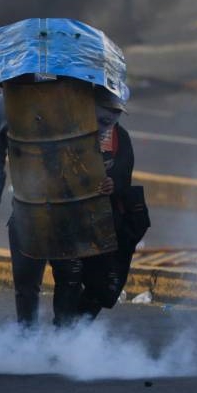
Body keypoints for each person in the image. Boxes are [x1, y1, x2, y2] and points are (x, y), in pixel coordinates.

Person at [0, 72, 137, 327]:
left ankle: (63, 342)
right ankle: (27, 340)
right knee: (27, 281)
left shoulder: (72, 100)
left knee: (70, 276)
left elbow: (103, 160)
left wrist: (109, 182)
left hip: (71, 210)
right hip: (27, 209)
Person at [76, 86, 146, 320]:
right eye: (106, 110)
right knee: (69, 279)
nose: (110, 117)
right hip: (73, 221)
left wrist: (113, 186)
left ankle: (76, 334)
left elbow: (124, 177)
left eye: (115, 113)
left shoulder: (120, 138)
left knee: (102, 286)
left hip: (106, 225)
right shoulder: (73, 132)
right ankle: (61, 333)